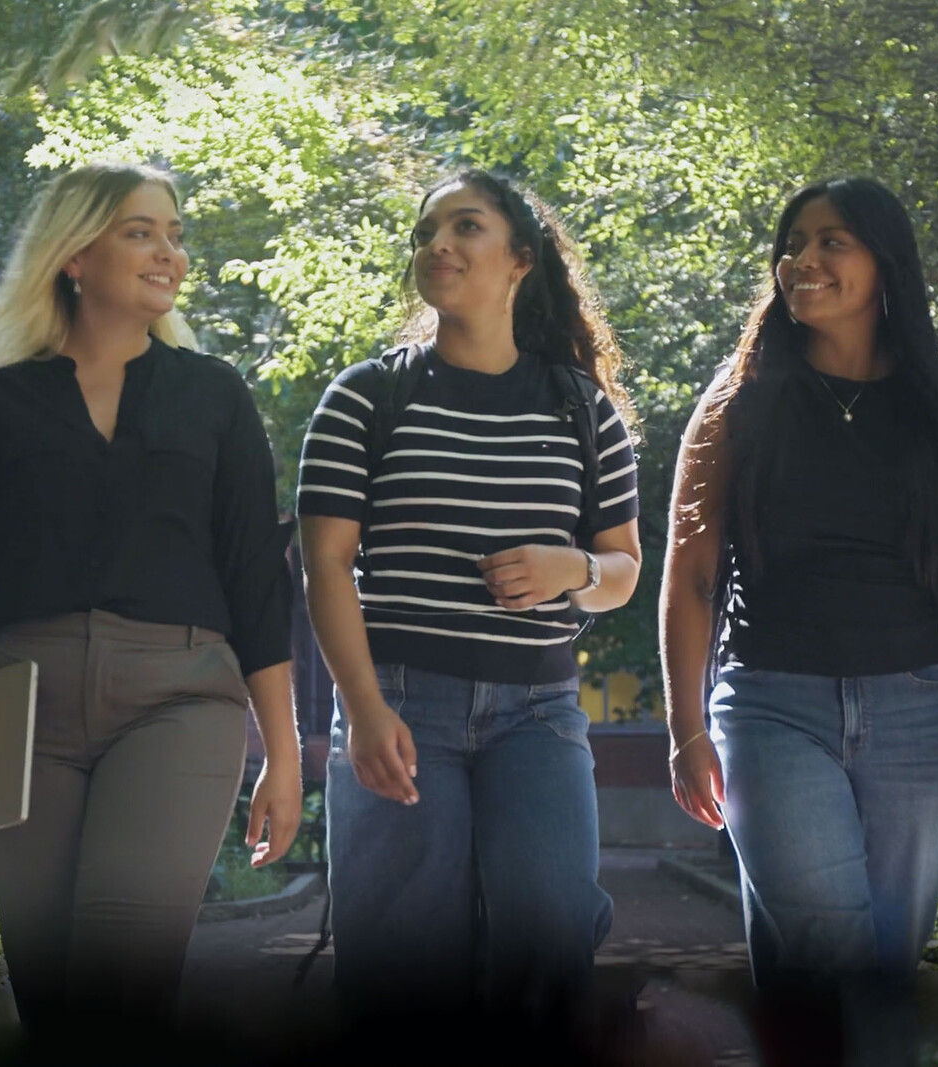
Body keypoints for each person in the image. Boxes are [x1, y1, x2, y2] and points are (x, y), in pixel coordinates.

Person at [0, 162, 301, 1051]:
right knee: (49, 992)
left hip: (180, 704)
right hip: (15, 708)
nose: (170, 253)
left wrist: (284, 752)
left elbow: (256, 579)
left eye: (174, 233)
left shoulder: (216, 397)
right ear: (74, 255)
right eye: (141, 231)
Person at [659, 177, 938, 1064]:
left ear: (884, 263)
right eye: (794, 243)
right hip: (770, 708)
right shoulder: (736, 402)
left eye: (834, 241)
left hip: (923, 714)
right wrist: (684, 727)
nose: (805, 259)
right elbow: (690, 578)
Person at [296, 171, 642, 1036]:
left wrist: (573, 567)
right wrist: (363, 710)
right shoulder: (366, 397)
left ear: (521, 260)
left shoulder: (581, 406)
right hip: (403, 707)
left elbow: (624, 568)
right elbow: (328, 568)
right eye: (427, 231)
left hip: (539, 714)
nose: (438, 244)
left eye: (466, 226)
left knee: (551, 938)